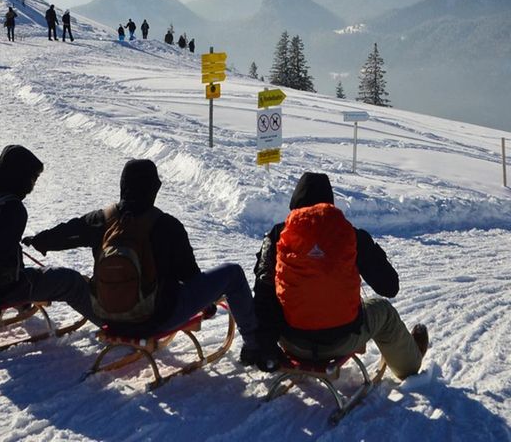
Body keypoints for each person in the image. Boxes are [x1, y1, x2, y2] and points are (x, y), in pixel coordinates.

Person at [24, 159, 277, 368]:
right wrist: (206, 302)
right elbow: (190, 277)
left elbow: (68, 233)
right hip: (154, 319)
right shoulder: (167, 225)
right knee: (232, 273)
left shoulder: (101, 219)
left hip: (104, 315)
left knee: (71, 280)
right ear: (153, 189)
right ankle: (254, 346)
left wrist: (39, 240)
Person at [252, 172, 428, 379]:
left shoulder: (276, 235)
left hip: (291, 340)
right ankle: (408, 364)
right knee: (383, 310)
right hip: (342, 339)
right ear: (330, 203)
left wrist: (264, 343)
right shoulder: (350, 235)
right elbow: (389, 287)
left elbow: (262, 287)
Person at [0, 145, 99, 325]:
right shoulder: (11, 208)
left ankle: (19, 302)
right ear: (20, 176)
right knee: (71, 281)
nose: (33, 185)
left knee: (17, 261)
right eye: (33, 178)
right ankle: (111, 324)